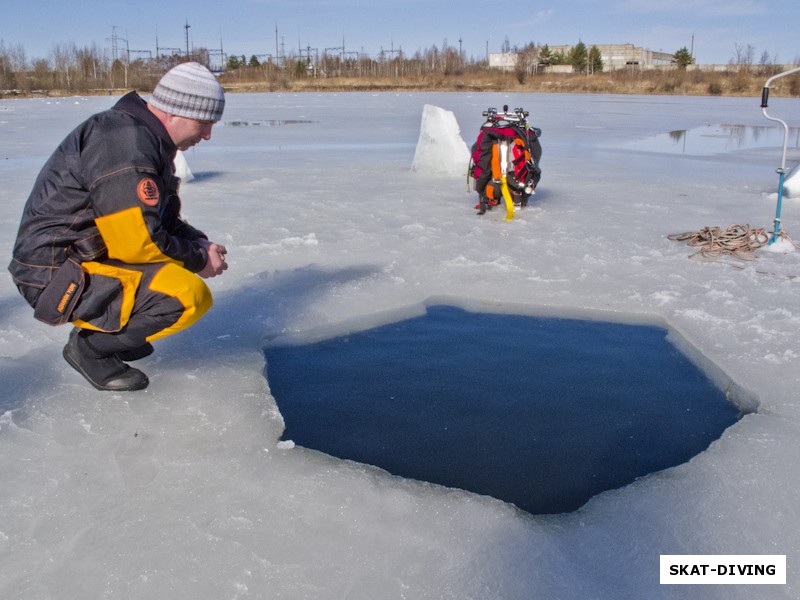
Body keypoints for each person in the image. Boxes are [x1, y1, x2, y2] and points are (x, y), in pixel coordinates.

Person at [8, 61, 229, 392]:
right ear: (174, 112)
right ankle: (90, 349)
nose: (208, 135)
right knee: (186, 296)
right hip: (52, 276)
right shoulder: (127, 143)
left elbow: (161, 220)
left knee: (181, 284)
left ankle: (114, 332)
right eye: (204, 123)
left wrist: (200, 244)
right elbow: (138, 242)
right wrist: (197, 260)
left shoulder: (144, 138)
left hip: (79, 258)